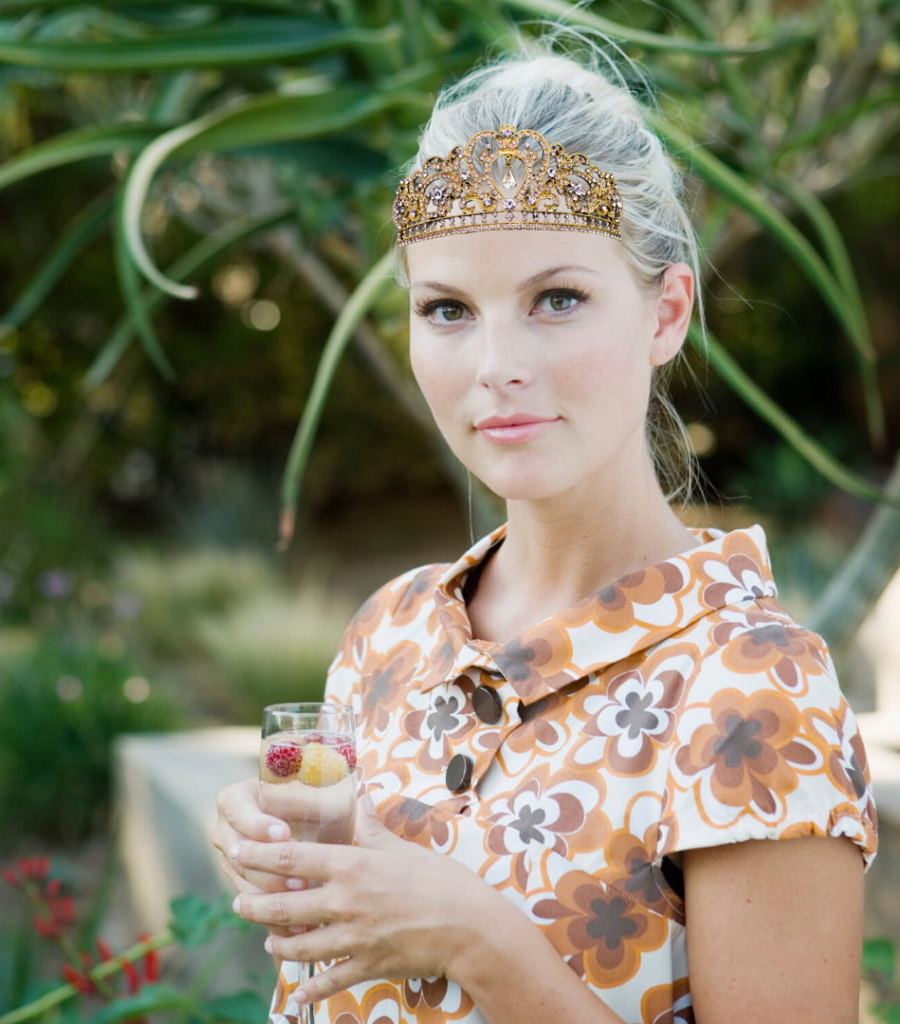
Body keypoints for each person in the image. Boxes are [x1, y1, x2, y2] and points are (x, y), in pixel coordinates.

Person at [212, 32, 877, 1024]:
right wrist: (277, 843)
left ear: (665, 315)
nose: (496, 362)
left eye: (556, 298)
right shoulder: (386, 637)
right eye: (446, 308)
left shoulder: (749, 688)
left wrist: (471, 940)